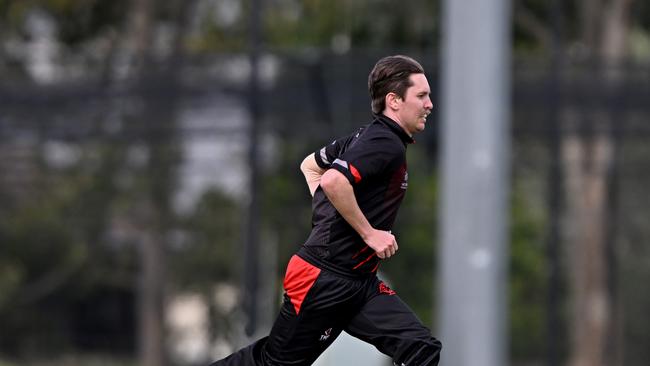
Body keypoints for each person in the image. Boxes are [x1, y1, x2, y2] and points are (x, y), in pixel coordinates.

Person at [210, 55, 442, 366]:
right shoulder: (384, 142)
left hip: (360, 282)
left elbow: (311, 166)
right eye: (422, 95)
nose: (430, 104)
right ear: (394, 101)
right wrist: (369, 233)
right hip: (324, 278)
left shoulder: (372, 137)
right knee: (273, 364)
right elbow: (332, 179)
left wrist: (330, 212)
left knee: (421, 347)